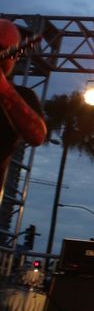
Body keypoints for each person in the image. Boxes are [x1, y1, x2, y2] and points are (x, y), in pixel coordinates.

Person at [0, 19, 46, 190]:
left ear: (15, 56)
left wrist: (3, 88)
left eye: (2, 49)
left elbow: (37, 136)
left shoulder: (23, 96)